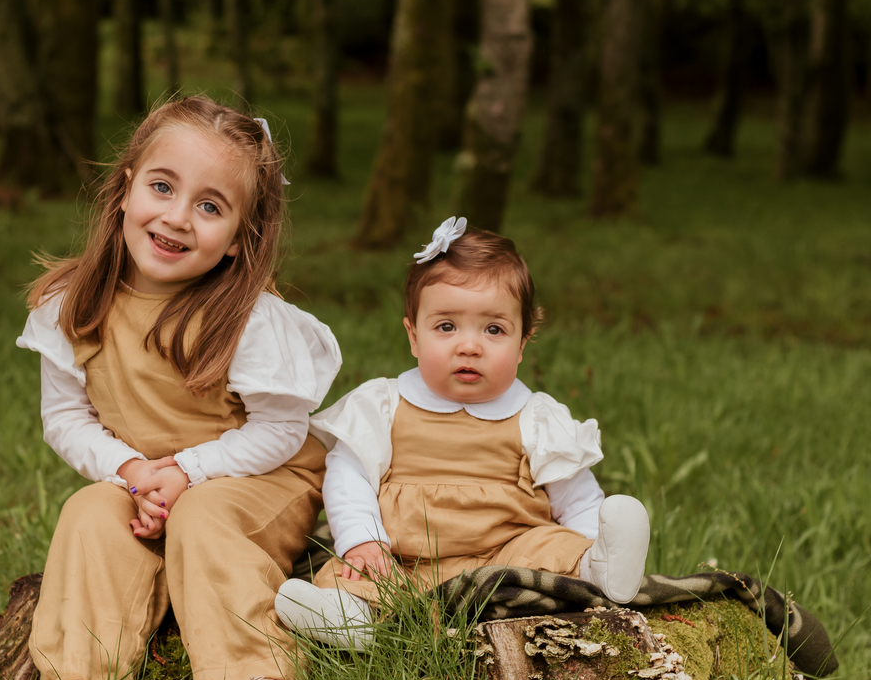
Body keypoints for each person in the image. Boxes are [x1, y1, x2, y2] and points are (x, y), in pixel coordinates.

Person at [16, 96, 341, 680]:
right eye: (162, 187)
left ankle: (253, 676)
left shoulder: (246, 320)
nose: (177, 217)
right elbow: (66, 419)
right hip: (145, 479)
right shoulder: (72, 303)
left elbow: (279, 430)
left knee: (204, 517)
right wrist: (134, 473)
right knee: (87, 514)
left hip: (255, 479)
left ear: (240, 238)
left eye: (210, 206)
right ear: (125, 189)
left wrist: (186, 472)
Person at [275, 217, 650, 650]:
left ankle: (600, 566)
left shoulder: (535, 416)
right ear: (413, 336)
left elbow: (576, 496)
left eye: (493, 329)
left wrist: (585, 540)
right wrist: (363, 540)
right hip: (407, 556)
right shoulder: (383, 405)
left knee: (553, 546)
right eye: (446, 326)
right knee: (355, 574)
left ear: (523, 342)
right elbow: (348, 475)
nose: (469, 345)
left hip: (507, 549)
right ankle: (349, 619)